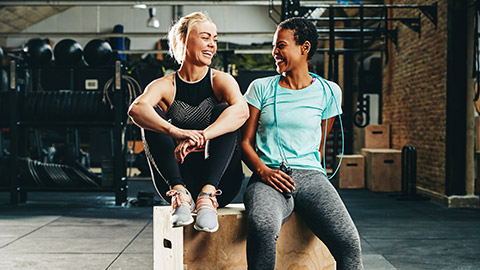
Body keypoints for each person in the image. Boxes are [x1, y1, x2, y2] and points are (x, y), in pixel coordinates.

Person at [241, 17, 363, 269]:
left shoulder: (330, 91)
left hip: (311, 177)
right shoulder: (260, 88)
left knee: (349, 244)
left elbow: (319, 143)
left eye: (281, 45)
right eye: (274, 46)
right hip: (269, 176)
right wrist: (263, 171)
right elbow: (244, 142)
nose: (275, 52)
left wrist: (314, 172)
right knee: (262, 226)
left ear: (304, 48)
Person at [128, 12, 248, 233]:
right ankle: (181, 194)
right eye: (205, 37)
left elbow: (242, 112)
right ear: (183, 40)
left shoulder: (221, 81)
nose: (212, 45)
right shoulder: (166, 85)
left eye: (215, 39)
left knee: (226, 111)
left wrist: (203, 136)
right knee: (151, 116)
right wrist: (176, 132)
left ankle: (207, 196)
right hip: (176, 181)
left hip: (221, 184)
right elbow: (136, 109)